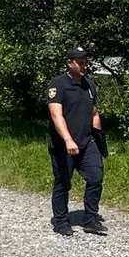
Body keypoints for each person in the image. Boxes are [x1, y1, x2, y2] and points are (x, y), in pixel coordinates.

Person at [46, 46, 107, 236]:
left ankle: (90, 219)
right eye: (80, 62)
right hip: (63, 143)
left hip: (86, 141)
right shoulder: (58, 85)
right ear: (69, 63)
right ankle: (61, 221)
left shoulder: (89, 85)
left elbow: (93, 112)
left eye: (85, 62)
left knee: (96, 177)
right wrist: (68, 140)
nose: (84, 66)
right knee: (63, 182)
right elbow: (56, 116)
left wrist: (99, 138)